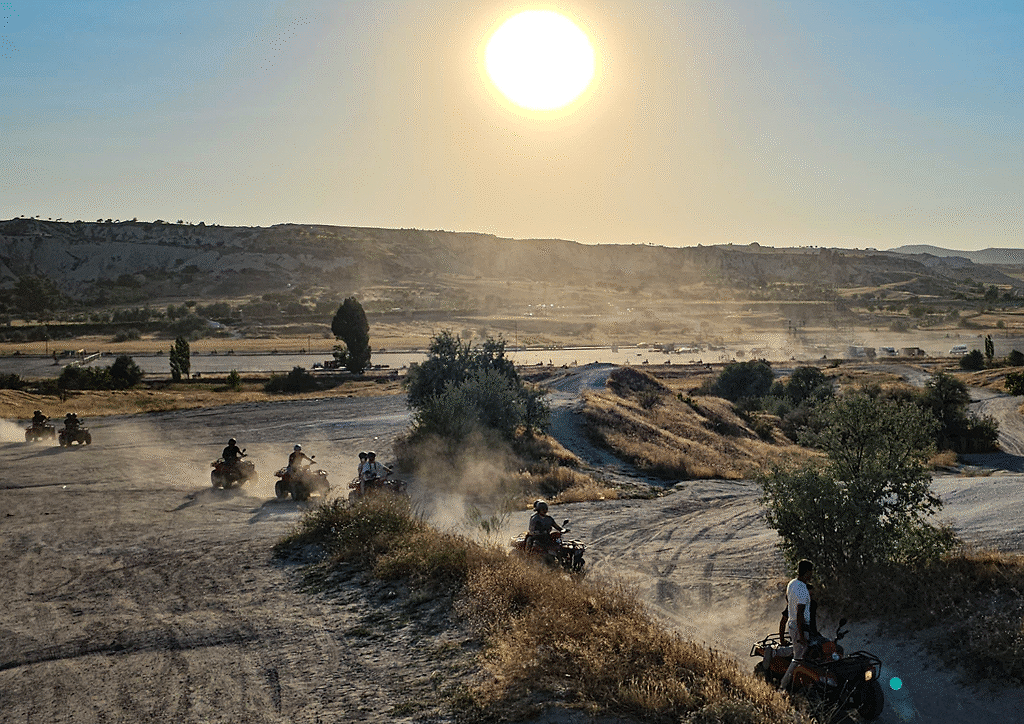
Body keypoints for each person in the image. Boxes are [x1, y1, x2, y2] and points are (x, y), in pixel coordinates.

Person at [778, 559, 815, 692]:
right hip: (800, 626)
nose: (811, 575)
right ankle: (783, 686)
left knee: (797, 651)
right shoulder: (803, 589)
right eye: (811, 572)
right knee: (798, 658)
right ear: (807, 572)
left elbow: (788, 600)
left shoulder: (792, 584)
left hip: (792, 624)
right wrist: (802, 635)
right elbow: (800, 614)